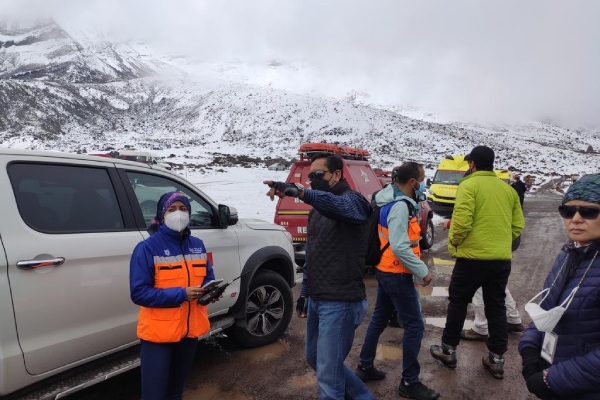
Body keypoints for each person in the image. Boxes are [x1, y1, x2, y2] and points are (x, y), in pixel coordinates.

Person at [264, 153, 374, 400]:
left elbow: (341, 207)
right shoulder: (318, 210)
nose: (313, 179)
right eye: (309, 176)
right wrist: (305, 293)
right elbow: (314, 253)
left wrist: (300, 192)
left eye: (318, 175)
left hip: (341, 300)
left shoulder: (354, 201)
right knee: (317, 359)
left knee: (328, 375)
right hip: (318, 298)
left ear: (336, 175)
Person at [430, 145, 525, 379]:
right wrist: (501, 244)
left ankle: (448, 350)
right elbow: (517, 226)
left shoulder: (469, 185)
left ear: (472, 164)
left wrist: (453, 246)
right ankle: (496, 358)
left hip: (472, 259)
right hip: (500, 260)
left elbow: (461, 222)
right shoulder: (508, 190)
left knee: (458, 302)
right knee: (496, 306)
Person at [355, 162, 439, 400]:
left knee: (380, 318)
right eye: (421, 179)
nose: (423, 183)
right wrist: (423, 271)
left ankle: (364, 365)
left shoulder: (389, 201)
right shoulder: (401, 206)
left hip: (386, 270)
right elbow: (401, 246)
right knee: (414, 326)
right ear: (412, 182)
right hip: (396, 273)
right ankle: (409, 382)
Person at [519, 174, 600, 400]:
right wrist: (529, 349)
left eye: (589, 211)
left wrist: (552, 379)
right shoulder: (569, 254)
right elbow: (547, 309)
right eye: (568, 211)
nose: (575, 219)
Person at [130, 192, 216, 400]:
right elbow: (139, 293)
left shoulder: (198, 245)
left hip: (189, 332)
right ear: (162, 214)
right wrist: (181, 294)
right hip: (158, 335)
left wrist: (210, 291)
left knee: (176, 391)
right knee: (154, 395)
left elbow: (208, 277)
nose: (178, 214)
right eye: (172, 209)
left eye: (183, 209)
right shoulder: (146, 248)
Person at [440, 219, 525, 342]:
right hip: (503, 235)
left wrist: (452, 229)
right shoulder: (510, 198)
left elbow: (475, 218)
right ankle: (513, 317)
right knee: (496, 285)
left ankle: (481, 326)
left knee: (479, 283)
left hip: (486, 241)